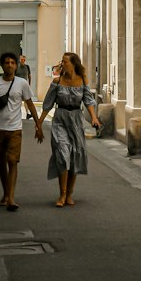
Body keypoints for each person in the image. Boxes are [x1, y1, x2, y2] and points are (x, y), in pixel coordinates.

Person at [0, 49, 43, 210]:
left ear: (16, 66)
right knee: (2, 163)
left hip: (15, 129)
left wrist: (38, 125)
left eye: (12, 63)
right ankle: (5, 194)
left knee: (13, 161)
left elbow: (30, 104)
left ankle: (11, 197)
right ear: (2, 66)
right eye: (6, 63)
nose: (10, 65)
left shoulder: (21, 83)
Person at [40, 52, 101, 208]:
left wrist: (94, 117)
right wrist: (39, 123)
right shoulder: (57, 81)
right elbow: (48, 103)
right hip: (60, 118)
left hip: (76, 119)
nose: (63, 64)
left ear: (74, 64)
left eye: (66, 62)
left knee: (74, 155)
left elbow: (88, 100)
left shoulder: (82, 80)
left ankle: (69, 194)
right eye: (62, 61)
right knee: (62, 154)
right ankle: (62, 194)